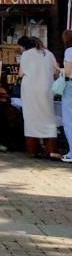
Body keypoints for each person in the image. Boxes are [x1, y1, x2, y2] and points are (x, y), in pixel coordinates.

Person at [18, 36, 60, 158]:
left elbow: (21, 73)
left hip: (30, 89)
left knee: (31, 117)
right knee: (48, 116)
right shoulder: (49, 54)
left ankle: (33, 149)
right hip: (46, 88)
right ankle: (51, 149)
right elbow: (55, 71)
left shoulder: (26, 54)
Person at [61, 29, 72, 163]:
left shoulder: (69, 51)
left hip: (70, 85)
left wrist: (60, 70)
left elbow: (68, 71)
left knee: (69, 120)